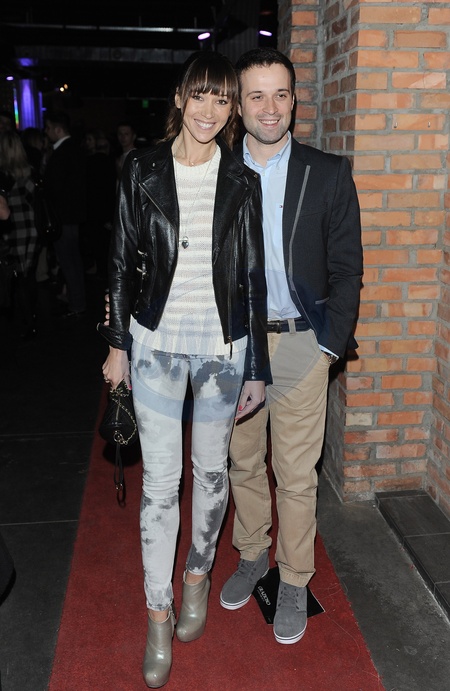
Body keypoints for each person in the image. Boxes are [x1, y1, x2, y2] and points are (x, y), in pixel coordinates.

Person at [98, 51, 270, 688]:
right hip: (155, 347)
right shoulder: (141, 168)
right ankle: (158, 612)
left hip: (223, 351)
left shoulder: (242, 180)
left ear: (231, 110)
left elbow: (252, 277)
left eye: (222, 99)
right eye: (201, 95)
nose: (209, 110)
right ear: (179, 97)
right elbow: (118, 261)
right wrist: (117, 345)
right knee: (160, 485)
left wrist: (256, 366)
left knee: (212, 471)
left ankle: (196, 573)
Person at [219, 48, 363, 645]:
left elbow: (347, 269)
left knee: (297, 473)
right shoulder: (217, 173)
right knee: (242, 460)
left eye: (280, 94)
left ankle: (296, 577)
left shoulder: (327, 173)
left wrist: (330, 347)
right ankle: (253, 553)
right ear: (239, 104)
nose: (270, 108)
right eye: (256, 95)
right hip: (237, 346)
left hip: (304, 342)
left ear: (295, 99)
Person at [43, 110, 87, 317]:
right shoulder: (75, 149)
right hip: (72, 216)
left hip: (63, 217)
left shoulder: (62, 152)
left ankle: (77, 304)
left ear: (58, 129)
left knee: (69, 261)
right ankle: (76, 300)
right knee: (73, 260)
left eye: (48, 128)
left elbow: (55, 187)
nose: (46, 132)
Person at [0, 131, 39, 337]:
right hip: (29, 229)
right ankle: (31, 318)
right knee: (26, 275)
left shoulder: (4, 177)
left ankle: (26, 322)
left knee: (15, 276)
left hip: (13, 230)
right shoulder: (29, 172)